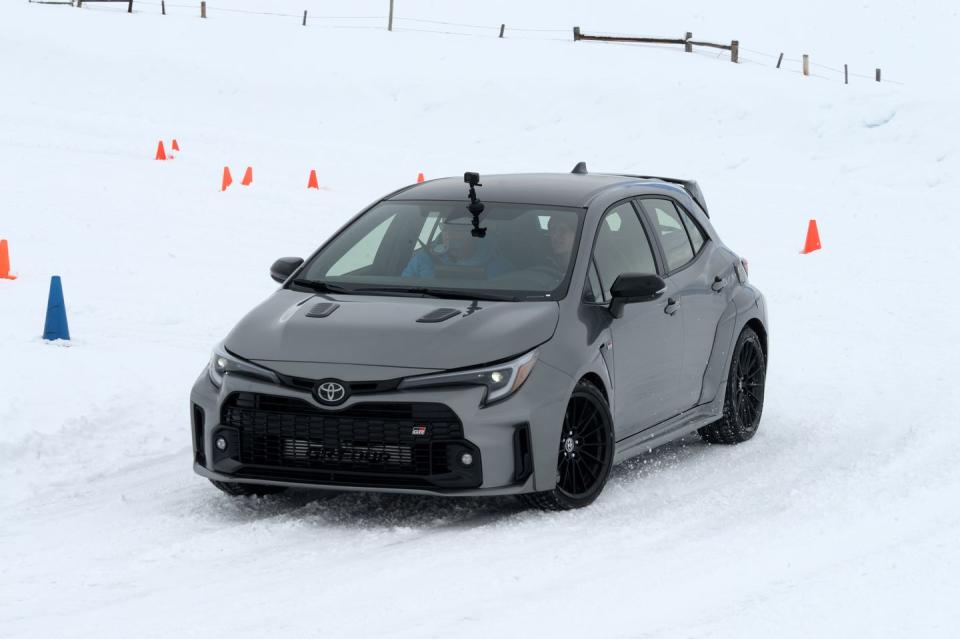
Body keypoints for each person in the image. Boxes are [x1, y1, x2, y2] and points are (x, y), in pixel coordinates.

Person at [402, 218, 511, 279]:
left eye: (457, 229)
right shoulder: (423, 259)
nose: (449, 234)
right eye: (445, 228)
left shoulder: (497, 265)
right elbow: (404, 288)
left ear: (474, 234)